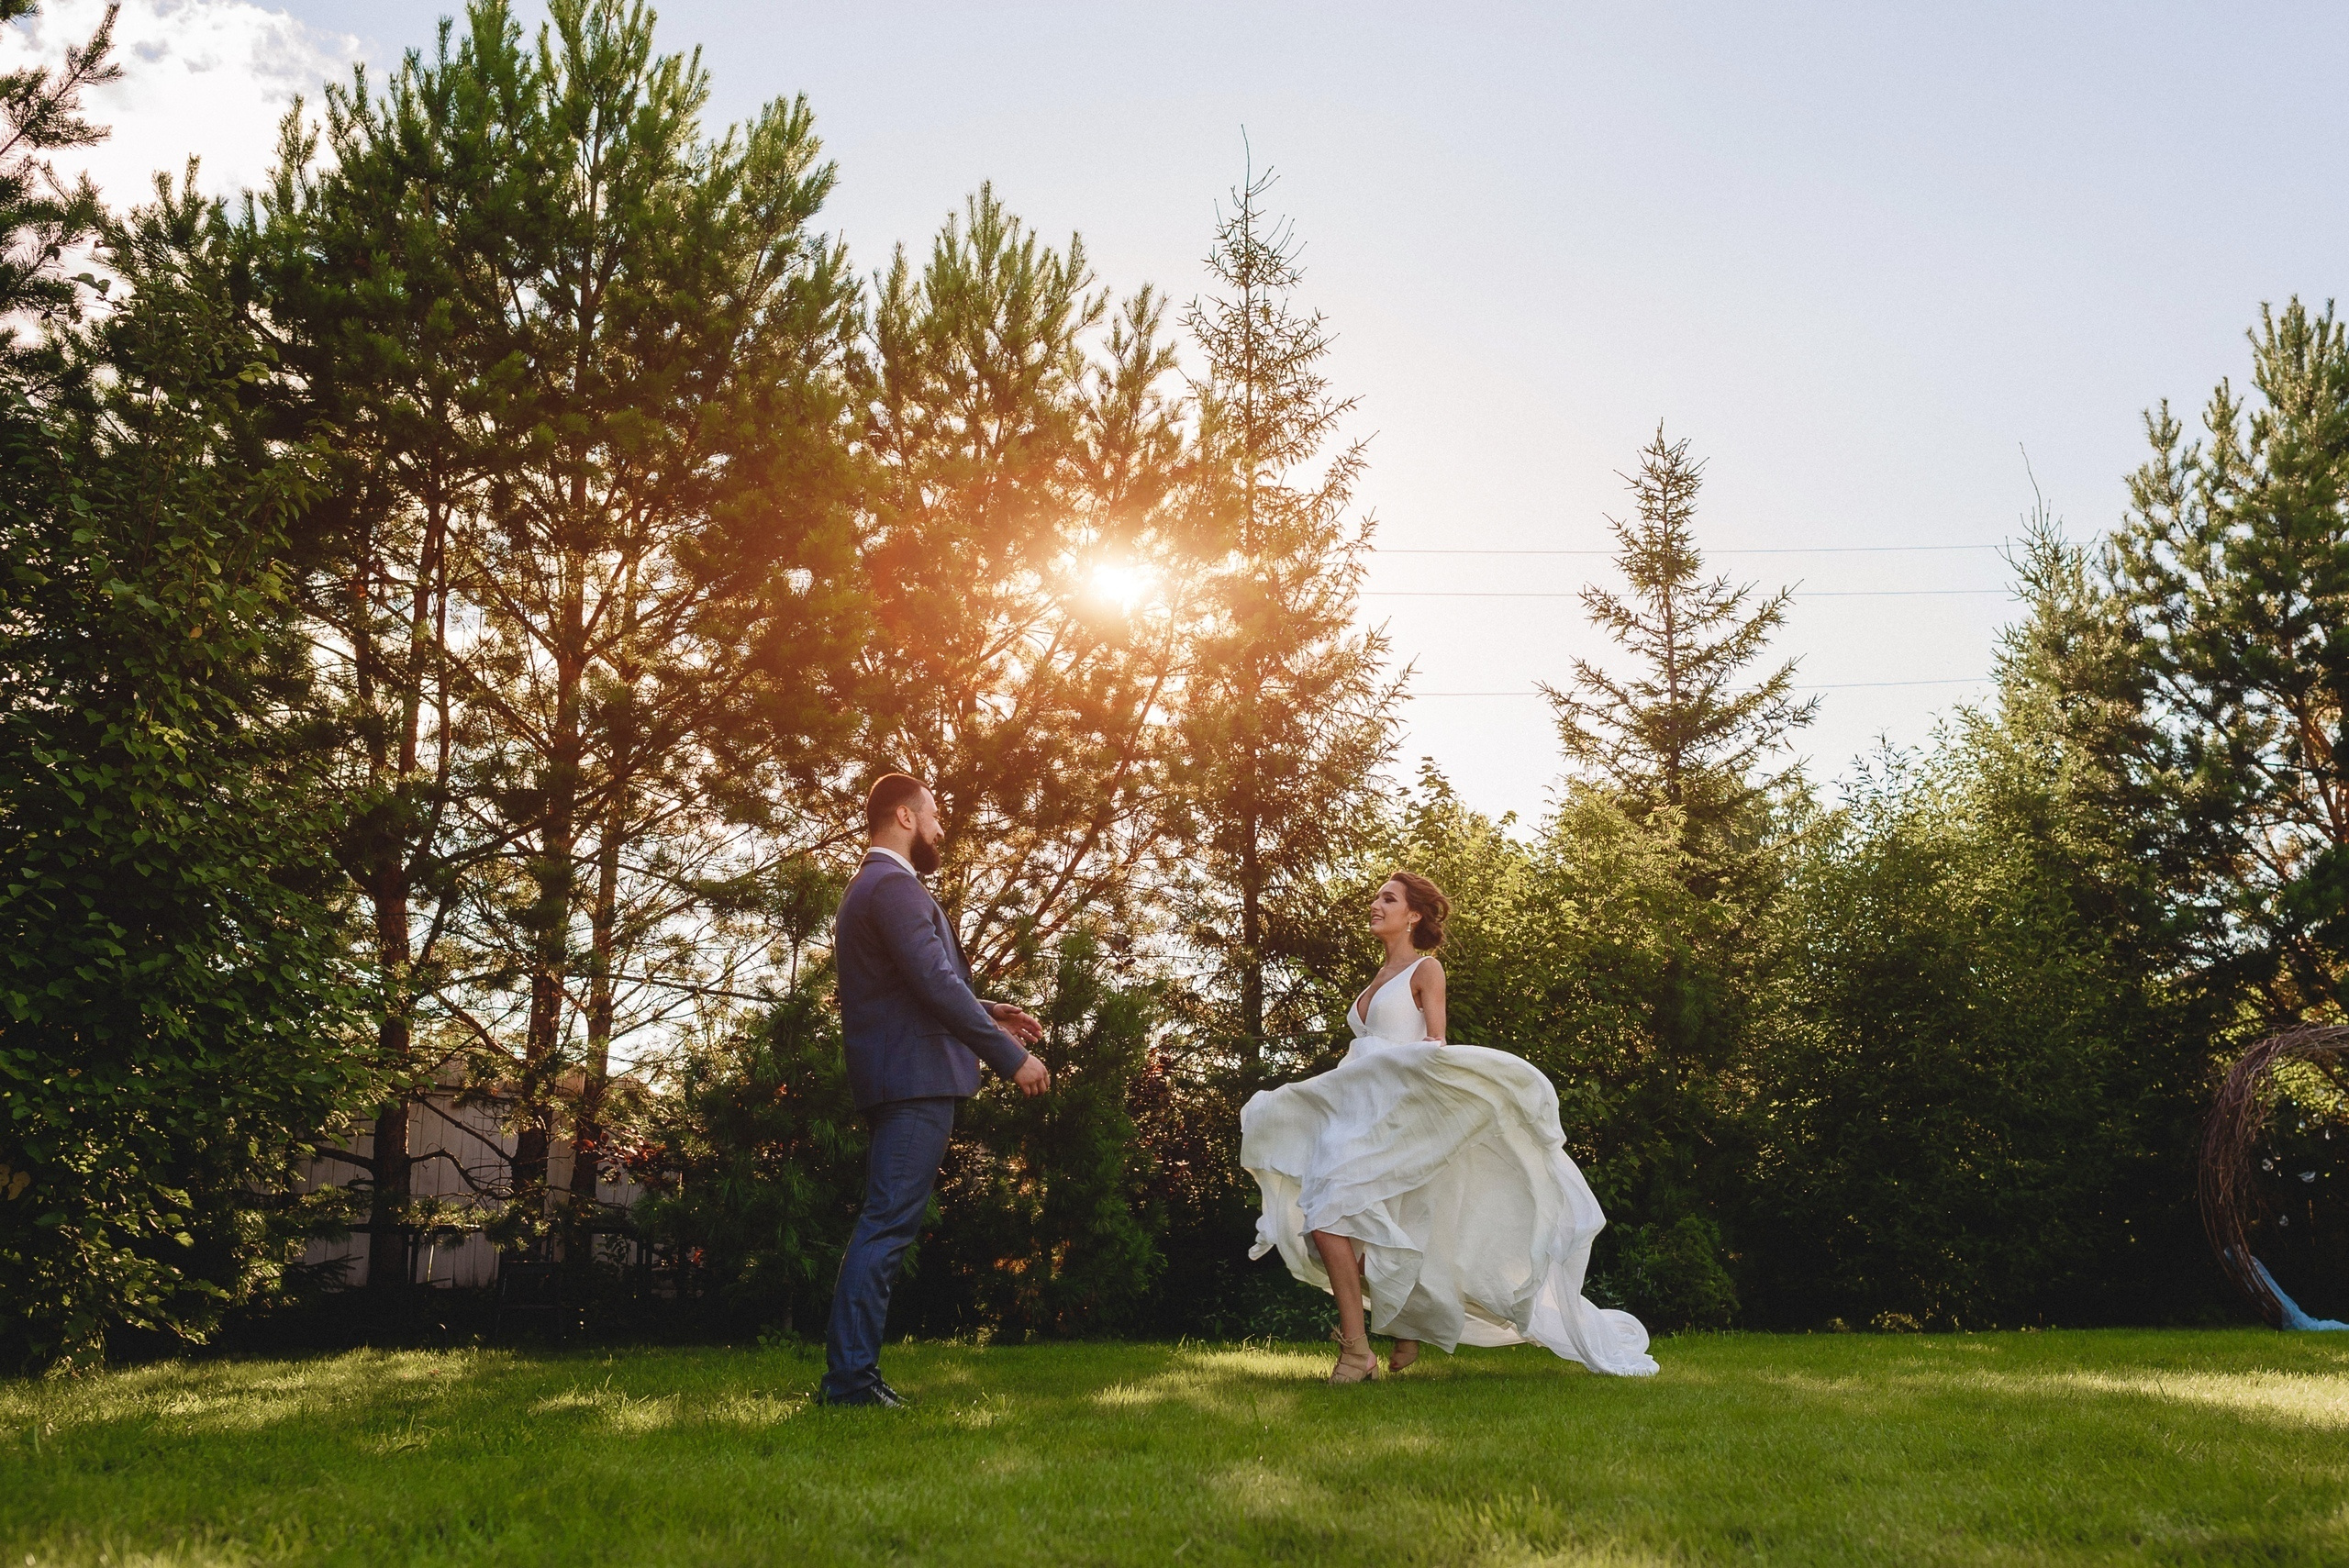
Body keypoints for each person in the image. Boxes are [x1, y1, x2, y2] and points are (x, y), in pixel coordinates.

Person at [1241, 870, 1658, 1383]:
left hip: (1398, 1117)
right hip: (1357, 1115)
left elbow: (1434, 1043)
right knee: (1329, 1233)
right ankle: (1409, 1319)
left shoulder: (1426, 969)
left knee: (1328, 1221)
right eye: (1376, 898)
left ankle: (1356, 1352)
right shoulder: (1376, 978)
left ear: (1413, 915)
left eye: (1388, 899)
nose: (1375, 905)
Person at [819, 773, 1052, 1407]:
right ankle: (850, 1383)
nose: (941, 828)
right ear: (904, 816)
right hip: (913, 1080)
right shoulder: (892, 886)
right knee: (886, 1226)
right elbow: (934, 984)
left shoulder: (875, 886)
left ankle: (853, 1377)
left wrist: (992, 1009)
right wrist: (1010, 1058)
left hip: (900, 1077)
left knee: (886, 1224)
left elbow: (918, 983)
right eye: (934, 815)